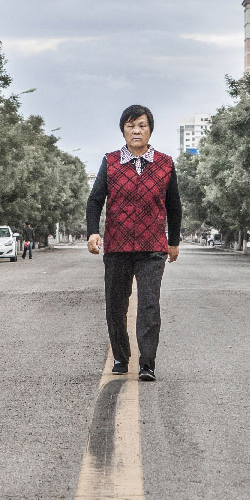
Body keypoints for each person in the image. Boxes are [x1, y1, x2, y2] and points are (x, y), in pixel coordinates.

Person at [86, 104, 182, 382]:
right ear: (123, 131)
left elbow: (174, 205)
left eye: (141, 125)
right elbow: (95, 200)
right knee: (116, 304)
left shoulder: (165, 163)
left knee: (149, 304)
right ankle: (120, 356)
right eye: (131, 126)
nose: (136, 130)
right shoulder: (111, 161)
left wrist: (173, 241)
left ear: (150, 130)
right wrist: (93, 232)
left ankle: (147, 363)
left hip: (153, 248)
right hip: (117, 247)